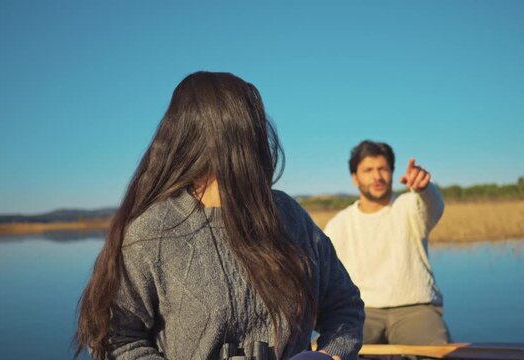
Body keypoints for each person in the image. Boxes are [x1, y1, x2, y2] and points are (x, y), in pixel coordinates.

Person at [75, 72, 364, 360]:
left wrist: (328, 355)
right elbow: (115, 339)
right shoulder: (151, 232)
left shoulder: (289, 216)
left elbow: (344, 305)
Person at [324, 140, 449, 346]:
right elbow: (326, 279)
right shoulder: (339, 224)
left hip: (415, 308)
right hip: (360, 312)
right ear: (355, 178)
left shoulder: (409, 205)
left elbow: (433, 205)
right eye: (368, 170)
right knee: (333, 350)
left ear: (392, 172)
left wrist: (424, 187)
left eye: (383, 169)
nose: (377, 176)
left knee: (434, 352)